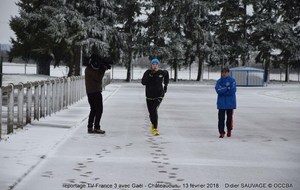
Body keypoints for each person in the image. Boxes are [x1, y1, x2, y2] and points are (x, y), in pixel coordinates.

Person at [85, 49, 111, 134]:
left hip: (91, 92)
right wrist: (103, 69)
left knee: (93, 109)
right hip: (94, 92)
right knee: (99, 109)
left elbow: (97, 73)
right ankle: (96, 127)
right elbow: (98, 78)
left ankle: (90, 127)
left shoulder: (89, 68)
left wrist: (103, 66)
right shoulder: (89, 69)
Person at [142, 58, 169, 136]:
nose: (155, 65)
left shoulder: (161, 72)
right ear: (151, 65)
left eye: (156, 64)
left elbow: (167, 74)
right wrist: (149, 76)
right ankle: (153, 125)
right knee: (151, 113)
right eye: (153, 64)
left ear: (158, 65)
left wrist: (166, 85)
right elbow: (143, 82)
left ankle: (155, 128)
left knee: (154, 110)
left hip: (159, 95)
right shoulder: (147, 72)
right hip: (149, 96)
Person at [215, 67, 237, 138]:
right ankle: (221, 132)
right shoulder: (219, 81)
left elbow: (232, 91)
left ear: (228, 73)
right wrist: (227, 88)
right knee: (221, 119)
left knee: (229, 118)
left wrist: (223, 90)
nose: (224, 74)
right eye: (223, 72)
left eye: (225, 72)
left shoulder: (232, 81)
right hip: (221, 103)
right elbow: (218, 90)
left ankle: (229, 130)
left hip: (230, 103)